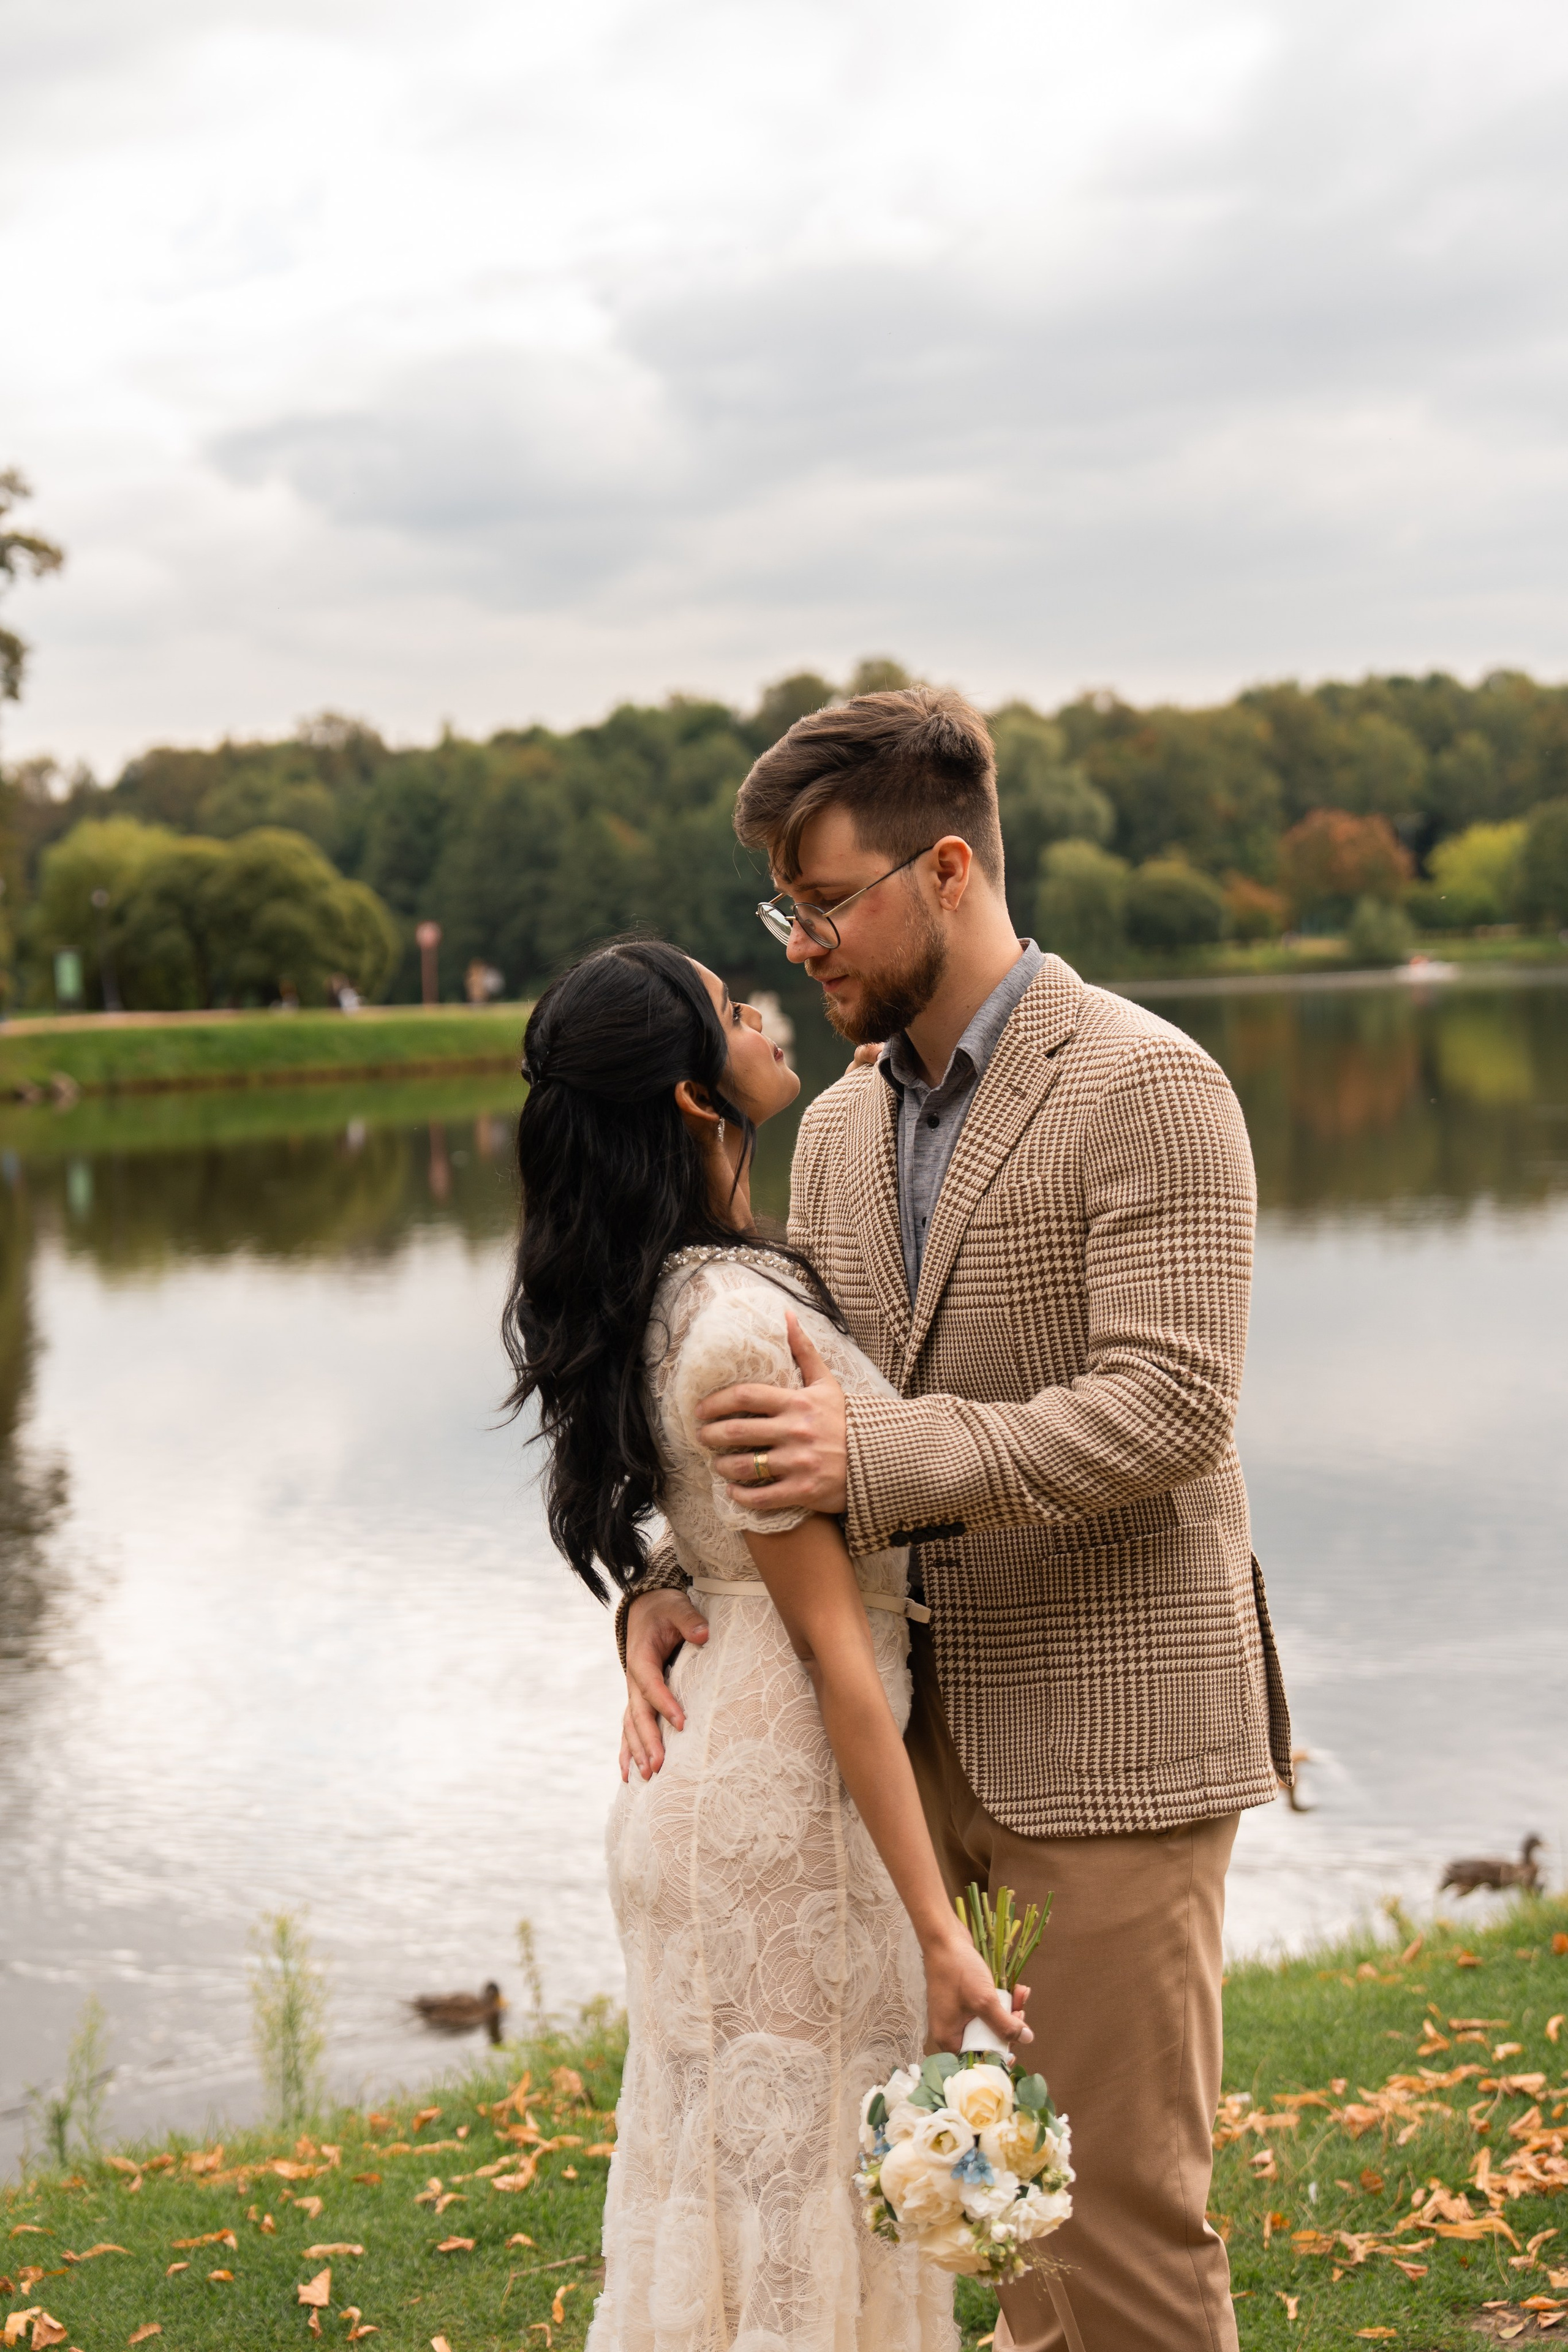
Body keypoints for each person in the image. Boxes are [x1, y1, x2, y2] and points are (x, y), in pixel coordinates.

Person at [618, 688, 1293, 2352]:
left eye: (828, 898)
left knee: (1117, 2235)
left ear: (947, 867)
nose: (805, 940)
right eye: (784, 907)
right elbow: (784, 1411)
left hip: (1116, 1749)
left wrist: (877, 1462)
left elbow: (1168, 1410)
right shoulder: (839, 1128)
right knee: (971, 2235)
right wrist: (661, 1577)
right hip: (907, 1776)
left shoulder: (1153, 1083)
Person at [503, 939, 1028, 2352]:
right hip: (782, 1799)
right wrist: (939, 1935)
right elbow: (830, 1654)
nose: (772, 1008)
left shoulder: (682, 1287)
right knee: (797, 2195)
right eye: (737, 1010)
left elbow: (722, 1546)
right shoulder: (735, 1322)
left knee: (745, 2186)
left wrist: (653, 1593)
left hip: (725, 1774)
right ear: (690, 1097)